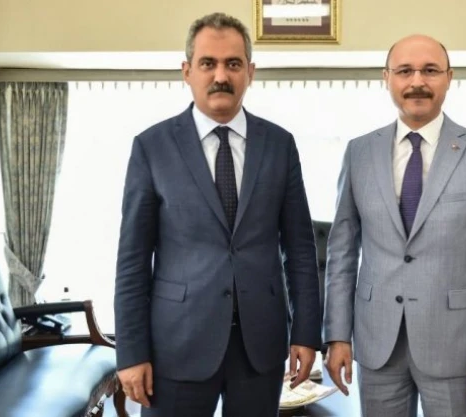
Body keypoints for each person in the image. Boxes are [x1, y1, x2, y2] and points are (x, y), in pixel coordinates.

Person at [113, 12, 321, 417]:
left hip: (260, 348)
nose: (221, 75)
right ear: (187, 71)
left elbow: (299, 249)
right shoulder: (152, 147)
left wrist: (306, 332)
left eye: (233, 64)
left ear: (250, 72)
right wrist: (131, 352)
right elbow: (133, 261)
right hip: (176, 346)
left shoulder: (280, 145)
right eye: (208, 63)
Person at [324, 34, 466, 417]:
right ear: (387, 78)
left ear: (449, 77)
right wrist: (337, 335)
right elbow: (341, 252)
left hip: (456, 346)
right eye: (405, 71)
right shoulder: (359, 152)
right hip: (377, 342)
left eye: (430, 70)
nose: (417, 82)